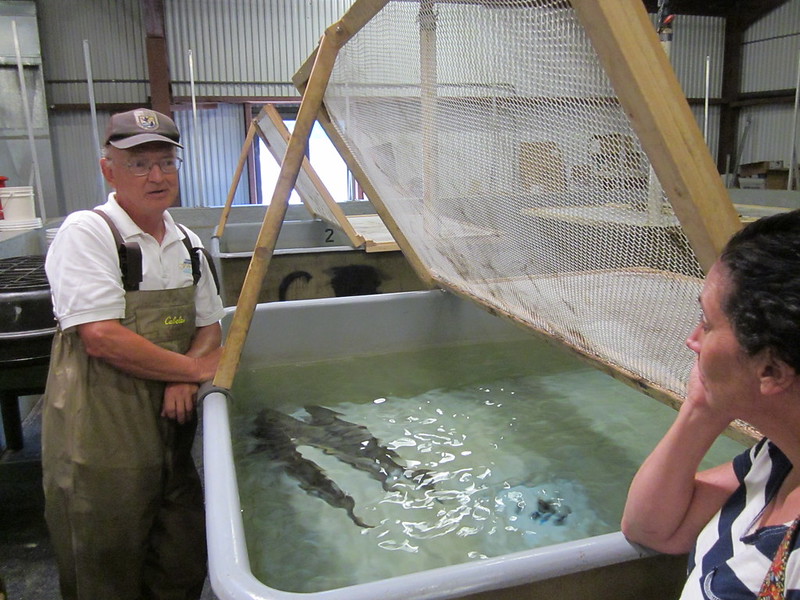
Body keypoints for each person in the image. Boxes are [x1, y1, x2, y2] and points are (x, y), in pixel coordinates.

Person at [42, 108, 225, 599]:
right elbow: (102, 337)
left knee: (179, 559)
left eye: (167, 162)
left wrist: (183, 380)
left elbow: (209, 327)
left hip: (172, 432)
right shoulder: (88, 232)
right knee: (105, 565)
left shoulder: (187, 243)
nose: (157, 176)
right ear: (109, 170)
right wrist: (190, 368)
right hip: (100, 435)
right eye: (140, 164)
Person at [622, 209, 800, 598]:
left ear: (770, 369)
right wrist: (701, 409)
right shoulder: (778, 458)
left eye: (707, 322)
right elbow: (654, 529)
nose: (693, 339)